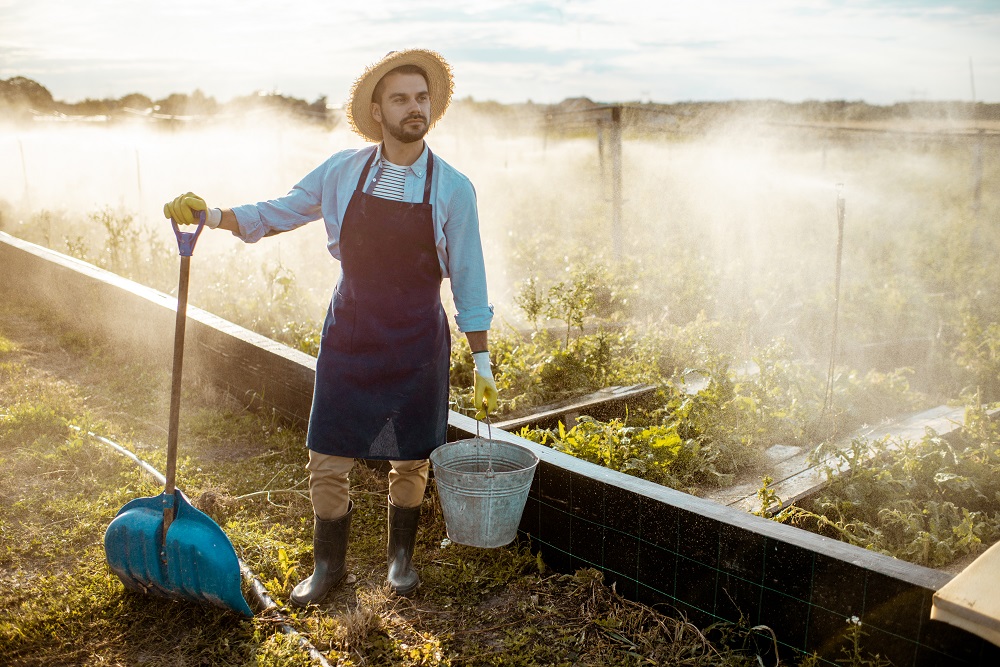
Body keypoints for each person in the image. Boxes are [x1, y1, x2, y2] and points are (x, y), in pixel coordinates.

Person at [163, 49, 498, 605]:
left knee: (410, 456)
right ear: (377, 108)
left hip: (417, 339)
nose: (415, 108)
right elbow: (281, 210)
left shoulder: (453, 188)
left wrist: (482, 361)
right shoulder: (343, 171)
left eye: (422, 97)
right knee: (326, 455)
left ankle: (400, 561)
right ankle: (328, 567)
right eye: (400, 98)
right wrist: (213, 216)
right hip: (352, 332)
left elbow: (469, 276)